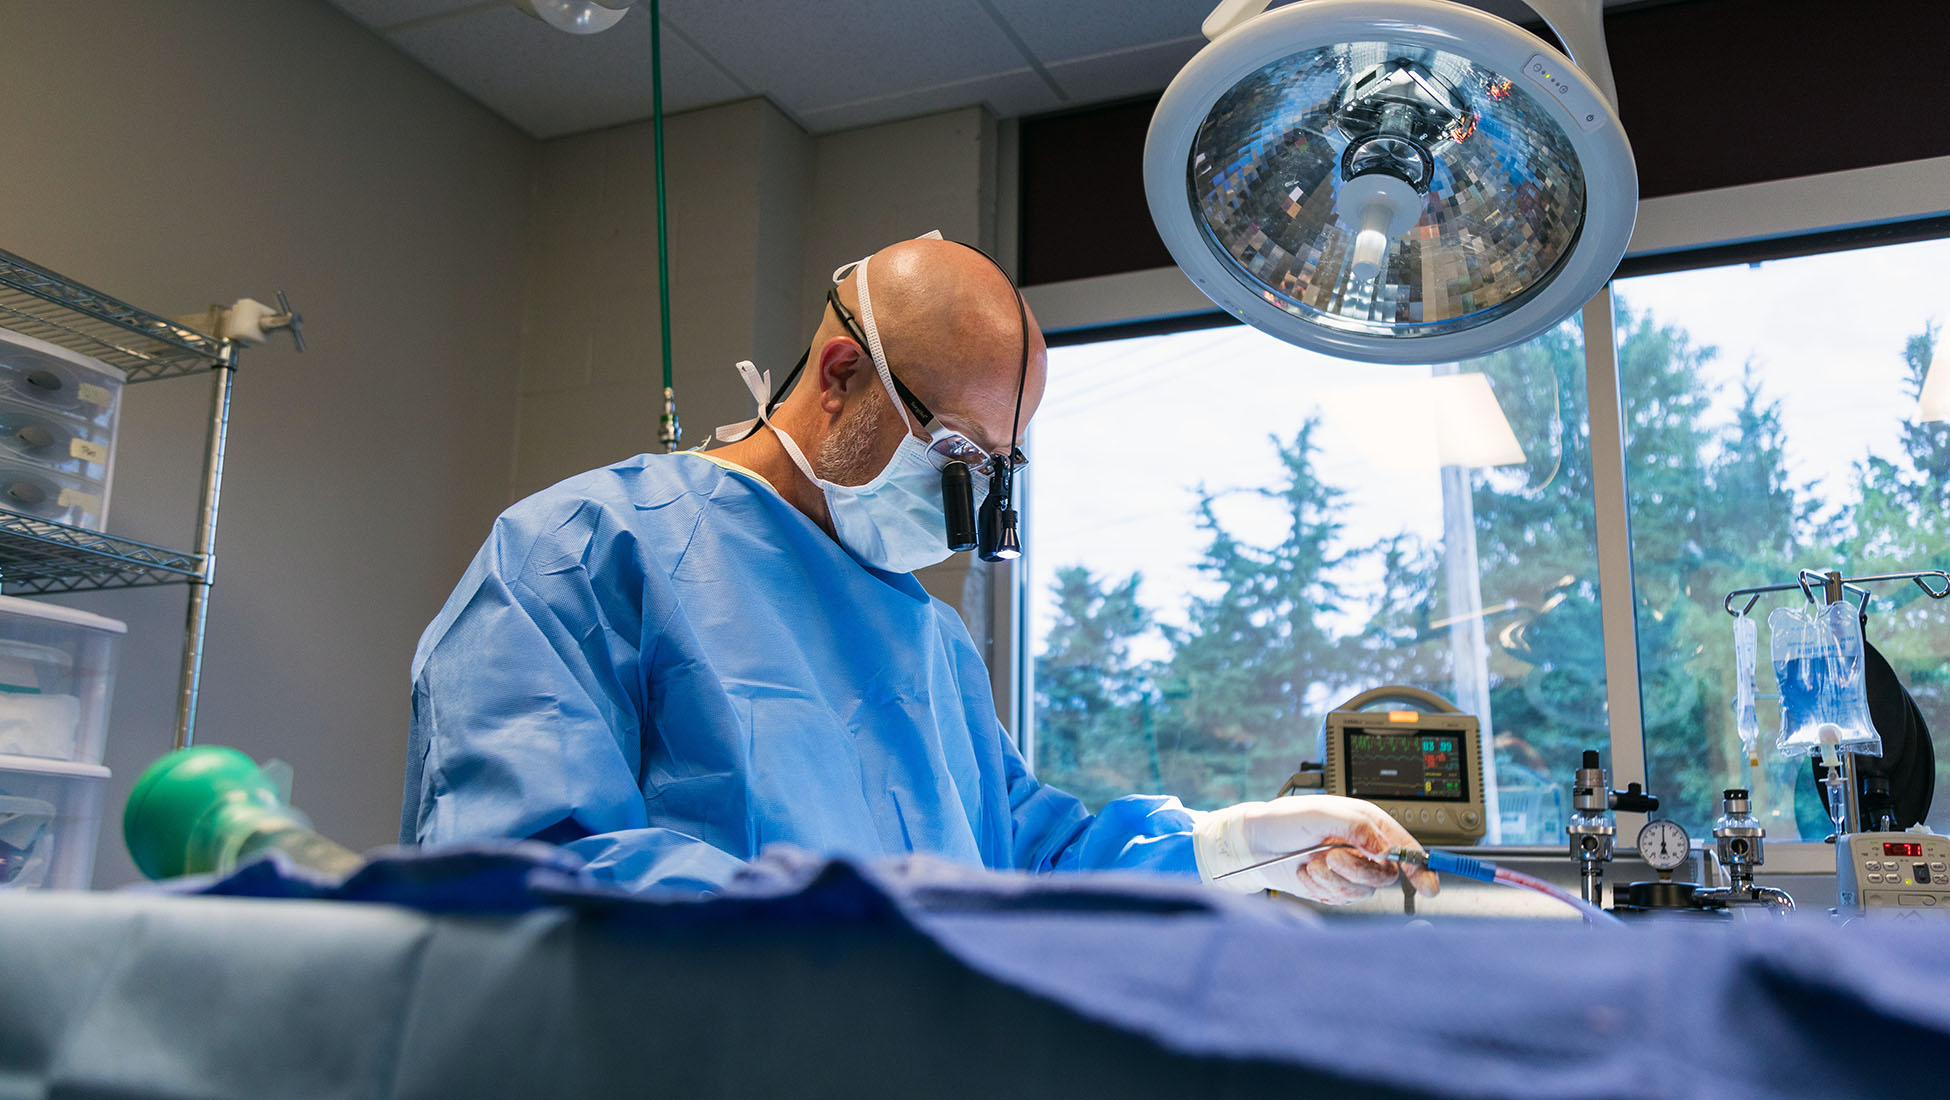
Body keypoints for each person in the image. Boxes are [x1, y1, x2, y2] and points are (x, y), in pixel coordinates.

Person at [402, 235, 1438, 904]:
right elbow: (531, 877)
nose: (963, 501)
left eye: (994, 469)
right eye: (951, 454)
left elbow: (1024, 854)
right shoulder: (578, 554)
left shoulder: (926, 641)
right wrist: (860, 941)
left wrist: (1225, 846)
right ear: (842, 374)